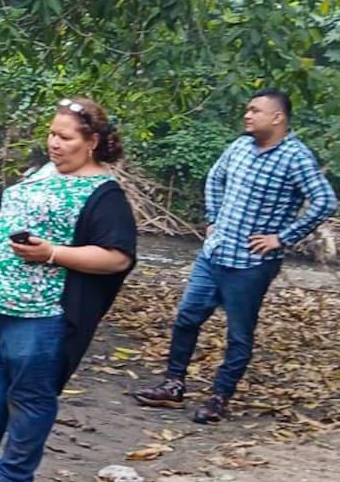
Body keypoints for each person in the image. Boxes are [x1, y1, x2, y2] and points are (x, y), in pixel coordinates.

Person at [0, 97, 137, 482]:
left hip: (40, 312)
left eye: (65, 137)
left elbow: (117, 257)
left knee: (28, 397)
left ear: (91, 141)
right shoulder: (44, 171)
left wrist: (53, 253)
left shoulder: (104, 193)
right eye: (51, 134)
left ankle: (14, 478)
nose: (54, 143)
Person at [134, 90, 337, 423]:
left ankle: (218, 397)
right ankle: (173, 384)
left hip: (252, 264)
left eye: (255, 110)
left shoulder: (296, 157)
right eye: (247, 109)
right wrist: (212, 218)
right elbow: (215, 177)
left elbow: (324, 201)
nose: (247, 115)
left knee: (239, 335)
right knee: (187, 317)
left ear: (278, 117)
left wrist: (281, 239)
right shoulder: (240, 146)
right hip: (214, 254)